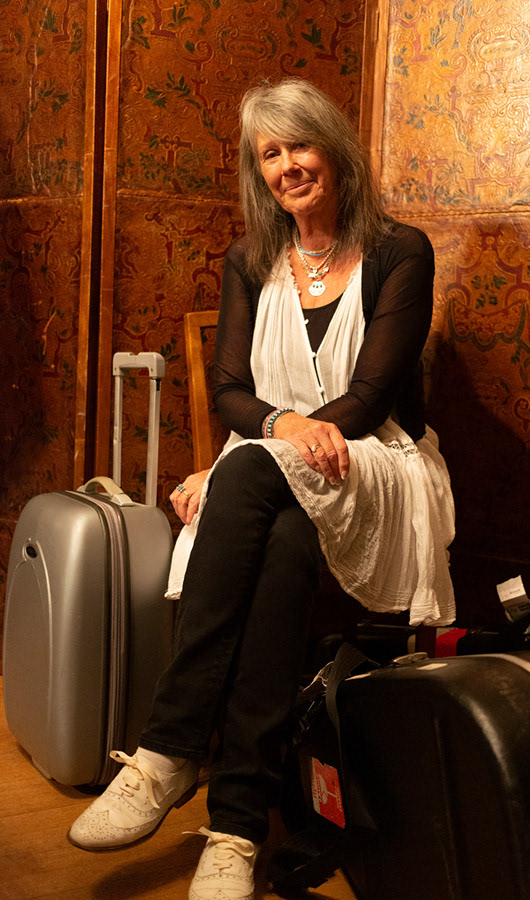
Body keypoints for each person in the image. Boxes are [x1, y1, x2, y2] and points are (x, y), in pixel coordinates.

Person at [68, 78, 455, 900]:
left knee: (247, 471)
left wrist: (251, 453)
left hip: (378, 463)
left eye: (299, 145)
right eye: (269, 154)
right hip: (277, 473)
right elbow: (231, 391)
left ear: (335, 150)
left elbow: (371, 398)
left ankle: (170, 750)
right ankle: (238, 826)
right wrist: (279, 433)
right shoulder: (249, 261)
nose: (287, 167)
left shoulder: (400, 250)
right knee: (282, 544)